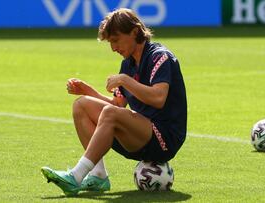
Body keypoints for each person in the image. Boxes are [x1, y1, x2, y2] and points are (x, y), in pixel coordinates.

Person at [41, 8, 187, 196]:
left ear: (134, 32)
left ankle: (75, 176)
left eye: (116, 40)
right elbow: (118, 105)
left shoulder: (160, 56)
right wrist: (88, 91)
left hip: (164, 139)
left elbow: (158, 99)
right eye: (111, 42)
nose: (113, 48)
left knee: (109, 114)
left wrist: (125, 80)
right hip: (138, 135)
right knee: (81, 105)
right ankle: (98, 175)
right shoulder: (128, 63)